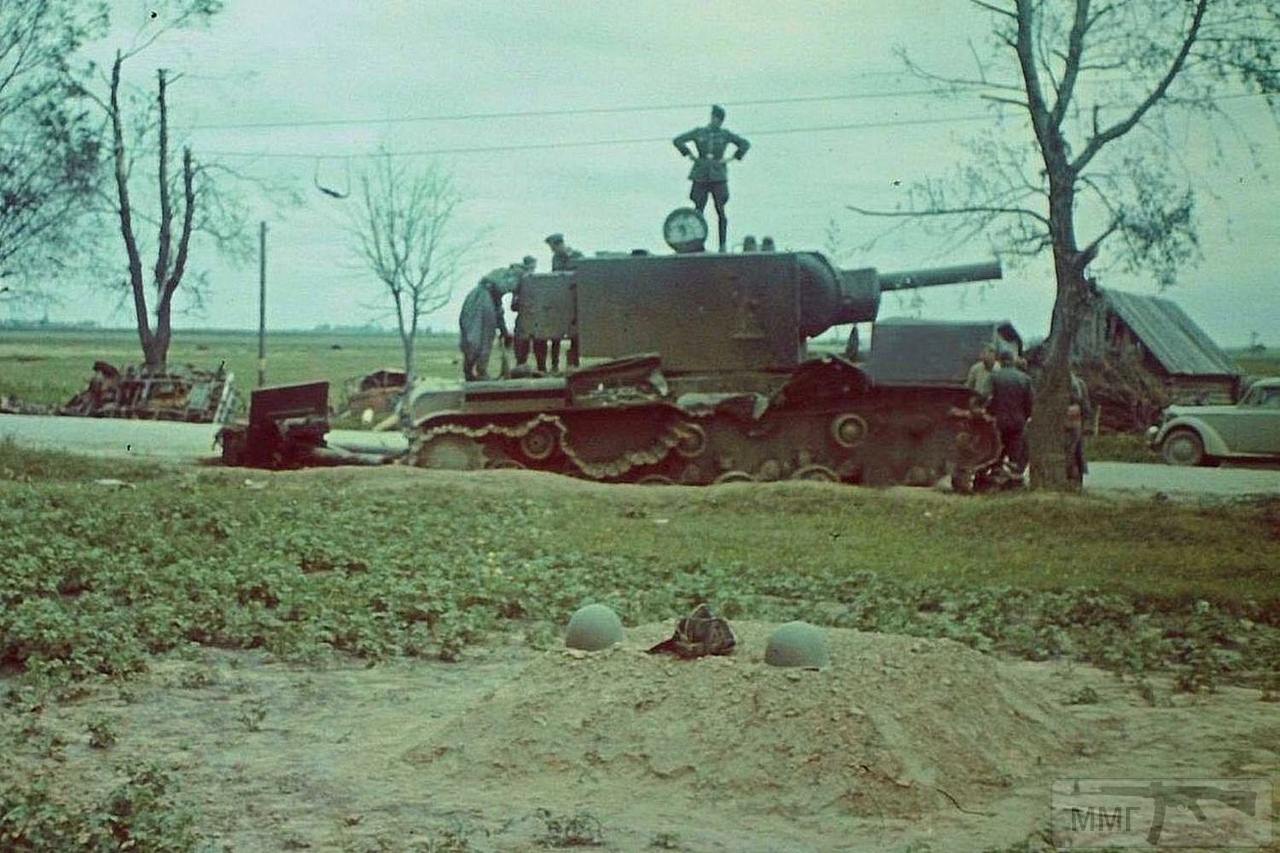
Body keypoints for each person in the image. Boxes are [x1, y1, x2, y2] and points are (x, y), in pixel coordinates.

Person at [672, 105, 750, 253]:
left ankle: (722, 245)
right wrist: (689, 155)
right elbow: (678, 140)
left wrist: (731, 159)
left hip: (718, 176)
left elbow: (745, 144)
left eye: (719, 119)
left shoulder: (725, 135)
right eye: (715, 118)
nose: (716, 121)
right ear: (712, 117)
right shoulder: (699, 132)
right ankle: (696, 245)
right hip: (700, 174)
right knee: (698, 212)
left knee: (720, 210)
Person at [459, 257, 533, 381]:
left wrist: (504, 330)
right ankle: (473, 371)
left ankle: (477, 371)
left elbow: (498, 305)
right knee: (476, 338)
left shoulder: (504, 276)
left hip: (484, 298)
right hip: (482, 298)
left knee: (480, 338)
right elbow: (501, 291)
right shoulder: (517, 275)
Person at [987, 350, 1034, 474]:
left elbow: (987, 397)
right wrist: (1026, 416)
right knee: (1015, 451)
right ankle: (1014, 477)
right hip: (1018, 421)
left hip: (998, 420)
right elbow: (1030, 402)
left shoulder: (993, 377)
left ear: (1000, 361)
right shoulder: (1025, 379)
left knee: (997, 450)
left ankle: (996, 472)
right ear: (1013, 361)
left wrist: (989, 413)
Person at [544, 233, 584, 371]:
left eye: (553, 247)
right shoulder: (555, 259)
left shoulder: (577, 256)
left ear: (559, 244)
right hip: (560, 302)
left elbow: (583, 276)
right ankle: (554, 365)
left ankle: (573, 364)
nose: (552, 250)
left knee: (575, 334)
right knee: (556, 334)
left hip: (575, 301)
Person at [1066, 370, 1092, 487]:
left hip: (1058, 422)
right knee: (1077, 451)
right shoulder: (1079, 383)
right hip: (1076, 421)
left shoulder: (1053, 383)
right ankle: (1077, 480)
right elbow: (1086, 406)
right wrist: (1086, 423)